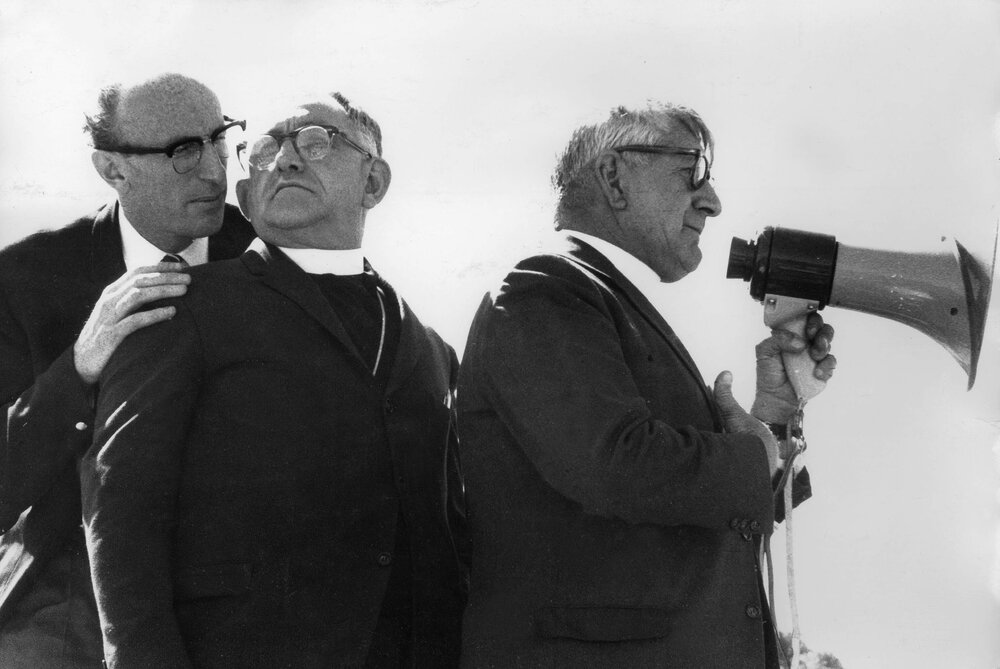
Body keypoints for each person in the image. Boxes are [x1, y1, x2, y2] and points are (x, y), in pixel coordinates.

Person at [80, 92, 469, 669]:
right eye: (264, 150)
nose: (286, 158)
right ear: (245, 198)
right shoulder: (181, 308)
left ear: (373, 182)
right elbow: (121, 509)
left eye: (316, 140)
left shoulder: (432, 350)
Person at [456, 104, 836, 668]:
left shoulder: (603, 299)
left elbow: (692, 507)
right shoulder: (545, 288)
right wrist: (754, 456)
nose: (712, 201)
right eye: (692, 170)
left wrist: (774, 417)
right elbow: (614, 463)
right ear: (614, 178)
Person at [0, 73, 253, 667]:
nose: (214, 171)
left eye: (219, 139)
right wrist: (79, 366)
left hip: (234, 579)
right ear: (112, 169)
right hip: (67, 586)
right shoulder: (24, 276)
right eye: (183, 151)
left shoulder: (265, 256)